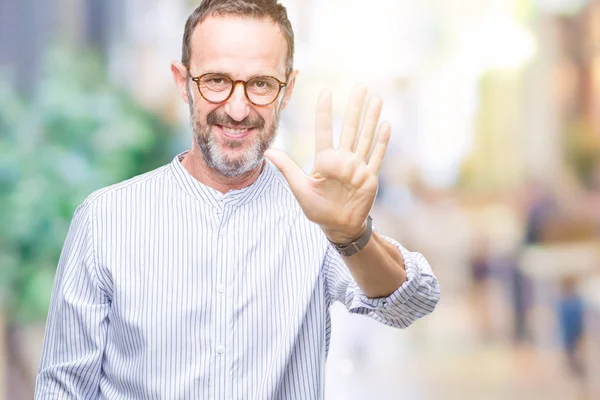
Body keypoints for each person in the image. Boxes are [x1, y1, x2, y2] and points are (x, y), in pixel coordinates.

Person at [34, 0, 440, 398]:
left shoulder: (319, 217)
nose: (238, 107)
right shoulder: (105, 219)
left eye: (261, 83)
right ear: (182, 82)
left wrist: (351, 236)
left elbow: (411, 304)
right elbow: (63, 389)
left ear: (287, 90)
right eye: (215, 80)